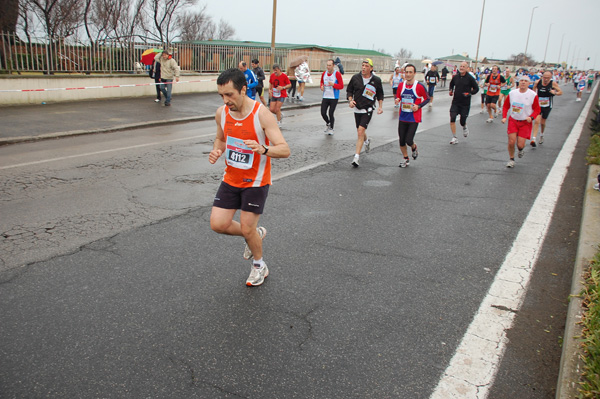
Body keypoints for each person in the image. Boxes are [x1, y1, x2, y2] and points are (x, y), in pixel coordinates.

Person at [208, 68, 290, 287]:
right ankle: (255, 234)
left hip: (255, 181)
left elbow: (284, 149)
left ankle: (259, 265)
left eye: (230, 95)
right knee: (217, 224)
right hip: (231, 178)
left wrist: (263, 149)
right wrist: (217, 150)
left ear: (244, 90)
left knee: (246, 227)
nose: (226, 101)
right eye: (221, 96)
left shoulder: (261, 114)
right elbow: (220, 139)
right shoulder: (222, 113)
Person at [346, 58, 384, 167]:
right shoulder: (355, 78)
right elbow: (349, 90)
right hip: (357, 109)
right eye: (362, 65)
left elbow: (380, 94)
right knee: (360, 130)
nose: (363, 67)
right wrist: (350, 100)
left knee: (360, 131)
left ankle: (356, 157)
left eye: (366, 66)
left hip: (368, 109)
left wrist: (380, 107)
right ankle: (366, 141)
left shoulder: (376, 80)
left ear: (371, 68)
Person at [394, 64, 429, 167]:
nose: (408, 74)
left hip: (414, 118)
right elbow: (398, 96)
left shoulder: (419, 86)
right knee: (401, 141)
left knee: (409, 140)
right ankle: (406, 158)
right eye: (406, 72)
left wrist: (418, 106)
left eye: (410, 72)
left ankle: (414, 147)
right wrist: (397, 100)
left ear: (414, 73)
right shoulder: (401, 85)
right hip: (403, 116)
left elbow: (427, 98)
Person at [501, 75, 540, 168]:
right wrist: (504, 117)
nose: (523, 82)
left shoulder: (533, 95)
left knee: (520, 144)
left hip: (525, 122)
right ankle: (511, 159)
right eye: (521, 80)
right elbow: (506, 106)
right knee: (511, 141)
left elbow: (537, 109)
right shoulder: (512, 93)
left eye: (525, 81)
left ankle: (521, 149)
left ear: (529, 83)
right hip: (513, 120)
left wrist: (532, 117)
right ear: (519, 82)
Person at [448, 61, 479, 144]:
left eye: (463, 66)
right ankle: (454, 137)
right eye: (460, 66)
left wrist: (469, 93)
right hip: (455, 102)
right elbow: (451, 84)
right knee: (452, 117)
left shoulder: (470, 78)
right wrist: (451, 90)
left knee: (462, 121)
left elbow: (476, 89)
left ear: (467, 68)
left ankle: (464, 126)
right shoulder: (456, 77)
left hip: (465, 103)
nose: (461, 68)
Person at [531, 70, 563, 146]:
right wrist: (534, 96)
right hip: (538, 105)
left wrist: (554, 92)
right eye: (544, 77)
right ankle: (534, 139)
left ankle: (541, 135)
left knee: (542, 122)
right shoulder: (537, 82)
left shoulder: (553, 83)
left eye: (548, 78)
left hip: (547, 105)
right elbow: (533, 90)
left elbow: (560, 92)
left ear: (550, 77)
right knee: (537, 121)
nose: (546, 79)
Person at [320, 59, 344, 135]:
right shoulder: (324, 73)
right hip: (326, 96)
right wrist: (321, 86)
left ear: (333, 66)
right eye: (327, 65)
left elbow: (341, 86)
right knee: (323, 112)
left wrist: (334, 85)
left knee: (331, 113)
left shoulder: (337, 74)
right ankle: (328, 123)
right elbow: (321, 82)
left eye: (330, 65)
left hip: (334, 97)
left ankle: (331, 128)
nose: (328, 67)